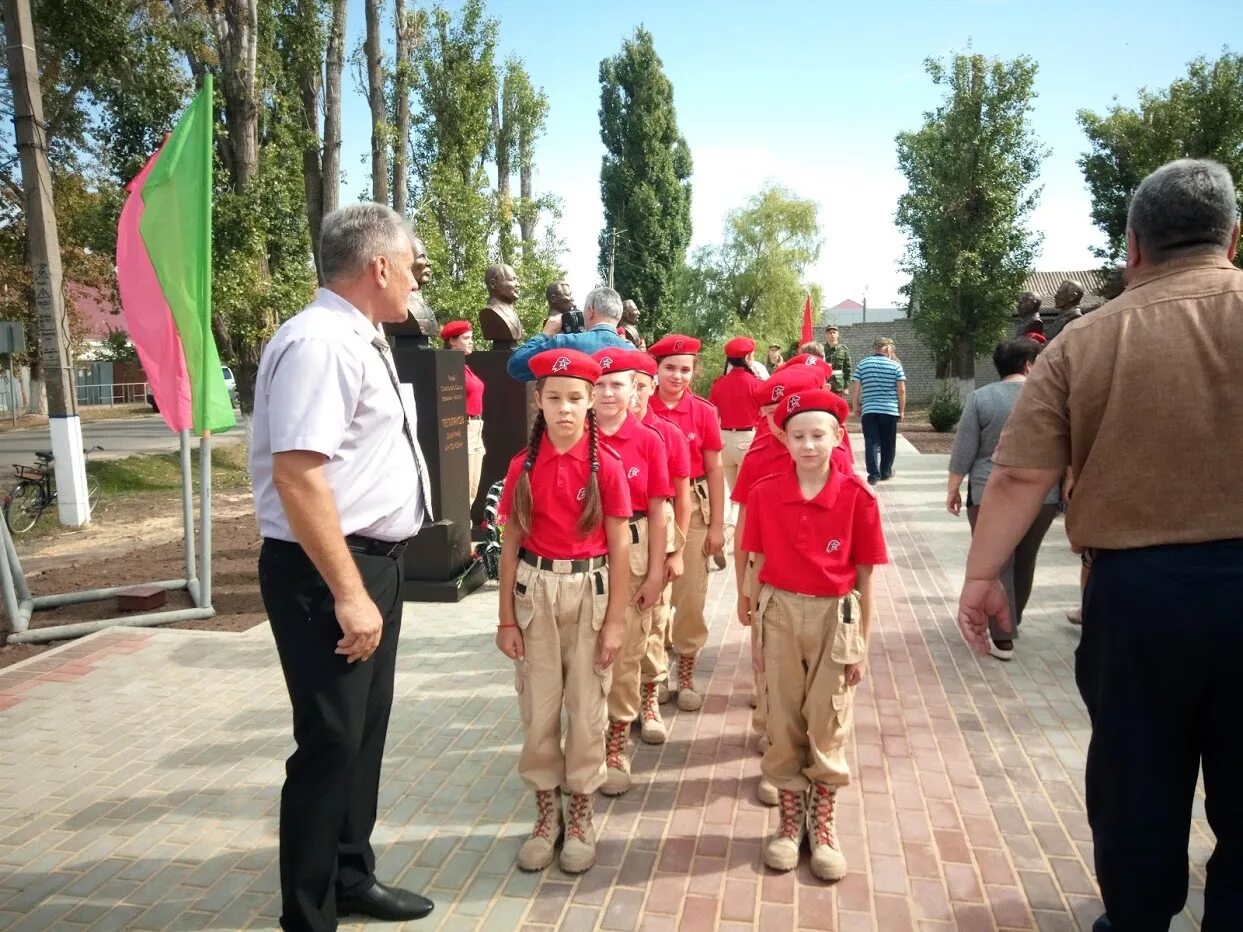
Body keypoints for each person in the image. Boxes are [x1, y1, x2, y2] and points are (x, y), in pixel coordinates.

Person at [956, 159, 1243, 932]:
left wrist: (984, 577)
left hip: (1137, 596)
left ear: (1132, 247)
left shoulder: (1083, 341)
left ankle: (1136, 919)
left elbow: (1018, 477)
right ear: (1233, 236)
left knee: (1136, 782)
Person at [250, 203, 435, 931]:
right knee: (328, 744)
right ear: (378, 267)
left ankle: (351, 876)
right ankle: (308, 914)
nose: (418, 274)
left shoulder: (360, 336)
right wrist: (349, 593)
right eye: (412, 261)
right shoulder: (320, 342)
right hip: (327, 573)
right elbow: (298, 476)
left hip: (369, 567)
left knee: (362, 734)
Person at [494, 348, 632, 875]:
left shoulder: (609, 468)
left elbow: (620, 547)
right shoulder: (521, 467)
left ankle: (580, 815)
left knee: (587, 709)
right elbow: (510, 544)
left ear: (592, 400)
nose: (566, 409)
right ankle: (544, 814)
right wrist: (506, 618)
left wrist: (616, 621)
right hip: (536, 596)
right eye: (555, 398)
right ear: (539, 402)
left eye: (576, 398)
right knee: (540, 709)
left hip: (590, 596)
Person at [741, 388, 887, 880]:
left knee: (828, 719)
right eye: (798, 435)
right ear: (783, 438)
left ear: (838, 437)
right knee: (782, 720)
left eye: (818, 435)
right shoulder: (764, 493)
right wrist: (756, 638)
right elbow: (757, 567)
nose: (808, 445)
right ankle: (788, 821)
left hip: (835, 618)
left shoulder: (857, 498)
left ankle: (821, 825)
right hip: (779, 613)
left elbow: (866, 577)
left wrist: (862, 643)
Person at [731, 364, 833, 806]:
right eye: (773, 412)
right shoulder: (757, 457)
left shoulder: (831, 453)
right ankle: (778, 749)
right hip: (770, 572)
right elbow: (744, 531)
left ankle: (815, 754)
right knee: (772, 668)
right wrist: (741, 588)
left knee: (822, 681)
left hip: (824, 585)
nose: (778, 421)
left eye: (786, 410)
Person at [946, 338, 1058, 660]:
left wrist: (953, 488)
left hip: (987, 494)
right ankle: (1013, 620)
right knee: (1025, 559)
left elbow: (964, 448)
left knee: (996, 562)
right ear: (1028, 365)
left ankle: (1002, 634)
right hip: (1043, 496)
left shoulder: (981, 398)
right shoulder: (1049, 397)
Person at [591, 350, 670, 795]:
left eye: (617, 384)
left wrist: (657, 569)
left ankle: (616, 741)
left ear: (633, 390)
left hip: (637, 550)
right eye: (599, 385)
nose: (607, 392)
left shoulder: (649, 441)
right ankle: (588, 735)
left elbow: (659, 511)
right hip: (586, 549)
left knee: (626, 652)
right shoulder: (575, 438)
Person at [648, 334, 725, 712]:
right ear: (656, 369)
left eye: (685, 370)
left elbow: (714, 469)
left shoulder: (704, 412)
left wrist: (717, 528)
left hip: (693, 507)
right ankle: (657, 671)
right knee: (654, 594)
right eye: (670, 368)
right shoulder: (641, 407)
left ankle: (687, 672)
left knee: (690, 595)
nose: (677, 376)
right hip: (649, 508)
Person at [632, 352, 692, 743]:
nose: (633, 395)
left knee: (653, 621)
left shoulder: (666, 434)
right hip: (615, 540)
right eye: (626, 385)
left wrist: (677, 552)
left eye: (641, 386)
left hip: (658, 533)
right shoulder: (596, 434)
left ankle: (649, 698)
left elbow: (682, 500)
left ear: (652, 388)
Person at [708, 336, 764, 557]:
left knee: (734, 495)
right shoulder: (756, 384)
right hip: (747, 441)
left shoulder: (719, 384)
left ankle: (729, 533)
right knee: (746, 499)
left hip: (723, 441)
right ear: (749, 357)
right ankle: (733, 537)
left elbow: (713, 415)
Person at [506, 286, 631, 381]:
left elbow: (516, 365)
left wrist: (544, 335)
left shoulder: (566, 343)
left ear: (590, 311)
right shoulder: (633, 352)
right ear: (618, 316)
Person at [440, 320, 485, 506]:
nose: (471, 341)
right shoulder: (449, 366)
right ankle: (461, 530)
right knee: (463, 484)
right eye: (466, 338)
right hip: (463, 427)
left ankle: (466, 527)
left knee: (473, 485)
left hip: (477, 426)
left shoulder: (465, 366)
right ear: (452, 341)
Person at [850, 337, 906, 485]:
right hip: (889, 410)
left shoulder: (863, 364)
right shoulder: (895, 366)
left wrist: (855, 405)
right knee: (888, 442)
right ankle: (886, 472)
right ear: (887, 349)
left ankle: (873, 476)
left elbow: (856, 386)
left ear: (874, 348)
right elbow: (901, 390)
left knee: (871, 442)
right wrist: (902, 410)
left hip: (869, 410)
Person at [823, 325, 852, 397]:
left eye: (834, 332)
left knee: (837, 407)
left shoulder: (843, 349)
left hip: (838, 386)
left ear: (838, 334)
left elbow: (848, 369)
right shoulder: (821, 349)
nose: (832, 335)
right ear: (826, 335)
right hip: (824, 384)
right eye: (830, 333)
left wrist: (846, 387)